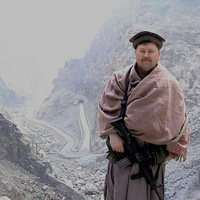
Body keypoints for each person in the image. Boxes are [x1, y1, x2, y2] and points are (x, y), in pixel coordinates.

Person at [97, 31, 190, 200]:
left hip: (151, 159)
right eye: (142, 51)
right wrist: (112, 134)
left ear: (159, 54)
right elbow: (106, 108)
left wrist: (170, 154)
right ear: (135, 52)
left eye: (151, 51)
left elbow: (179, 120)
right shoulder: (119, 79)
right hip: (123, 155)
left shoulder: (169, 84)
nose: (146, 56)